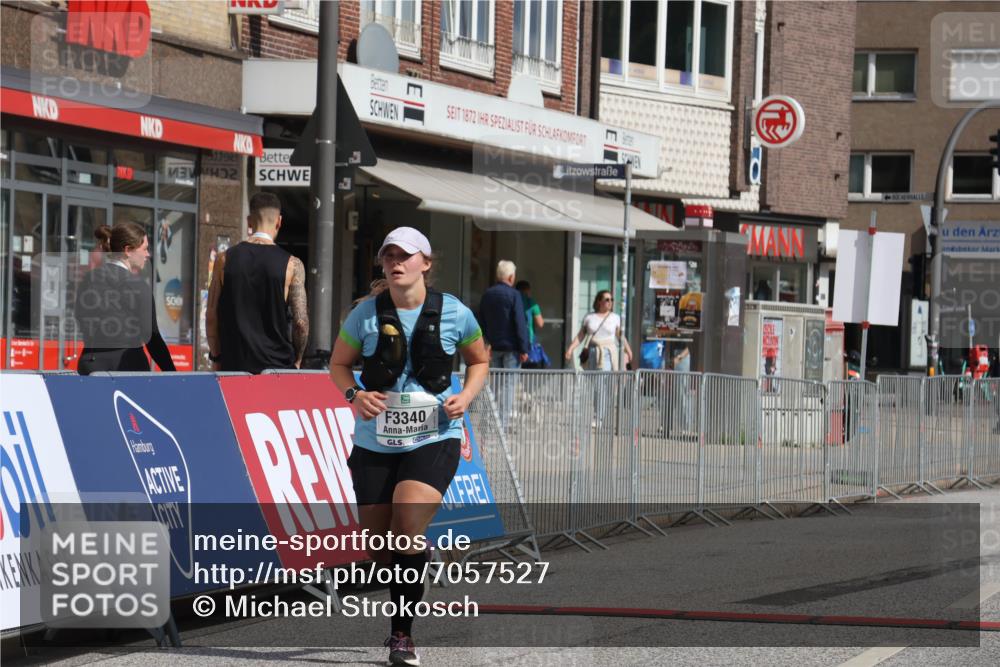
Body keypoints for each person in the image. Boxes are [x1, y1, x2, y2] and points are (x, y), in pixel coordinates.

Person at [329, 227, 489, 666]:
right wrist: (354, 396)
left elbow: (480, 359)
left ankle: (401, 636)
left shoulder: (454, 312)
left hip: (435, 434)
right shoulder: (364, 314)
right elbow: (339, 365)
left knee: (407, 520)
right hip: (376, 440)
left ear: (426, 262)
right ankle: (418, 554)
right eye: (389, 256)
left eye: (405, 255)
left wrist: (467, 396)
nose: (396, 263)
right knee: (380, 547)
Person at [206, 192, 308, 373]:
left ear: (249, 222)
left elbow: (211, 316)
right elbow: (300, 322)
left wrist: (216, 357)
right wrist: (298, 358)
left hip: (235, 366)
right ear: (279, 222)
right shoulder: (292, 264)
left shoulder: (224, 260)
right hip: (278, 369)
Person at [74, 223, 176, 375]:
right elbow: (152, 339)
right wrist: (172, 373)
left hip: (91, 365)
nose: (148, 254)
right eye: (145, 249)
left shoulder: (88, 280)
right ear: (128, 250)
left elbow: (79, 316)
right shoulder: (139, 286)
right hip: (129, 369)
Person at [478, 260, 530, 428]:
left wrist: (487, 343)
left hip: (495, 346)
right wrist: (524, 348)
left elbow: (481, 321)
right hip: (512, 348)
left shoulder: (488, 294)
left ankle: (490, 421)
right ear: (510, 276)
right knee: (508, 386)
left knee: (496, 386)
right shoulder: (514, 295)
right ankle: (501, 425)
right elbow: (520, 323)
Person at [564, 290, 633, 371]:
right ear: (599, 301)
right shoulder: (589, 317)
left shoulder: (615, 317)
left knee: (604, 378)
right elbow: (580, 336)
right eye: (607, 300)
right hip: (592, 351)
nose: (610, 302)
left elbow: (620, 336)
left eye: (612, 300)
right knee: (593, 379)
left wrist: (628, 350)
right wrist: (570, 349)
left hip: (608, 352)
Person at [516, 279, 548, 369]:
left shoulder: (513, 300)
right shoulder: (531, 303)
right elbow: (540, 323)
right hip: (528, 340)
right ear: (528, 290)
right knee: (530, 368)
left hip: (513, 341)